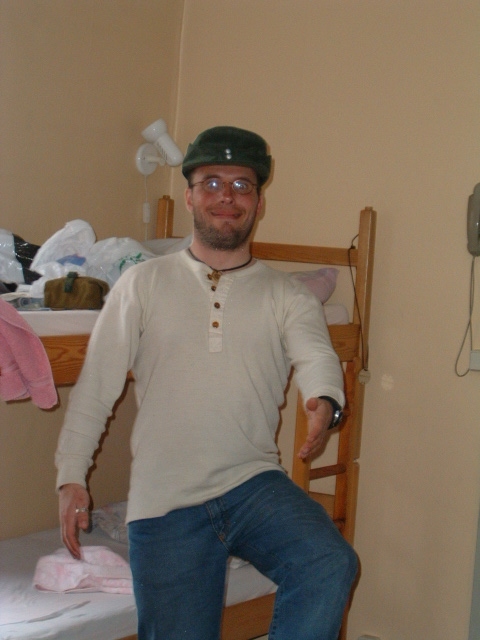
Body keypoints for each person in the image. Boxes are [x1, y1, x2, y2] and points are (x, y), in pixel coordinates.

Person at [56, 126, 358, 640]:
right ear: (190, 196)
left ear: (259, 202)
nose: (227, 197)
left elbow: (316, 358)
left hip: (252, 483)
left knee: (329, 562)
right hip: (165, 499)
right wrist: (71, 476)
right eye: (212, 183)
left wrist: (325, 401)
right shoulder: (142, 283)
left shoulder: (288, 295)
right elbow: (96, 387)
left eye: (242, 185)